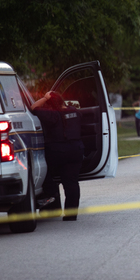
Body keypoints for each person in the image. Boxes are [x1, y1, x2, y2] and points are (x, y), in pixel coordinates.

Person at [31, 91, 84, 221]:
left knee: (44, 175)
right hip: (76, 151)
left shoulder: (51, 115)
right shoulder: (75, 112)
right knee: (71, 183)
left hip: (56, 152)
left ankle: (52, 200)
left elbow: (33, 108)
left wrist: (44, 98)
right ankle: (71, 215)